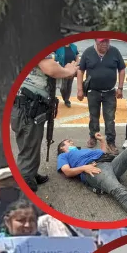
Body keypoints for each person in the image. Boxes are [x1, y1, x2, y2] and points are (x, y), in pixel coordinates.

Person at [12, 55, 79, 191]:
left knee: (30, 146)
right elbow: (49, 68)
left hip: (26, 108)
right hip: (27, 109)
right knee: (29, 147)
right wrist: (67, 70)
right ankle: (26, 181)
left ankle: (31, 172)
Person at [56, 138, 127, 217]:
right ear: (62, 147)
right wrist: (83, 168)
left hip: (109, 162)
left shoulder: (83, 150)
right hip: (94, 168)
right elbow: (67, 171)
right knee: (118, 190)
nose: (72, 142)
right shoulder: (63, 156)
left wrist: (102, 141)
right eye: (68, 142)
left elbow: (103, 152)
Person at [75, 38, 126, 152]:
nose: (105, 44)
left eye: (107, 41)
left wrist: (120, 88)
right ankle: (93, 137)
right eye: (102, 42)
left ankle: (111, 142)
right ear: (96, 41)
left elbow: (121, 69)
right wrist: (79, 90)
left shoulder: (115, 51)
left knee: (109, 119)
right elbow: (80, 71)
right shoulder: (88, 52)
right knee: (93, 117)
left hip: (109, 92)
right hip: (93, 92)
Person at [53, 42, 79, 107]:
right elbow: (52, 56)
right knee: (63, 87)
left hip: (71, 69)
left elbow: (77, 58)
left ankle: (67, 100)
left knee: (69, 85)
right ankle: (65, 98)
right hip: (62, 69)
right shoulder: (58, 47)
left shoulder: (74, 47)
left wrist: (75, 65)